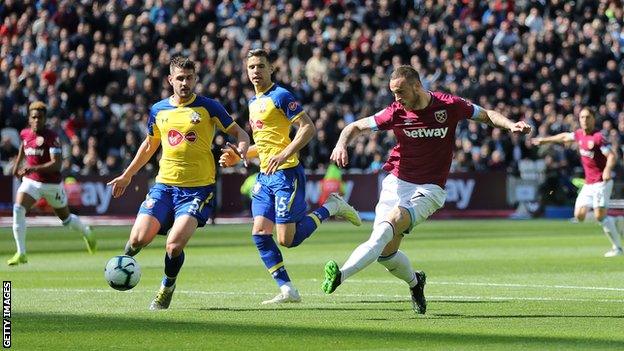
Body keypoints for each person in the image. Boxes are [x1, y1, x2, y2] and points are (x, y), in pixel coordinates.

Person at [321, 66, 532, 314]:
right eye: (393, 93)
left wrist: (510, 125)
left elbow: (486, 115)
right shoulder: (395, 112)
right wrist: (341, 143)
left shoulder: (449, 105)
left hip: (430, 188)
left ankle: (341, 276)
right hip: (396, 182)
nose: (396, 98)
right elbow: (354, 127)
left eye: (400, 92)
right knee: (386, 254)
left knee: (392, 223)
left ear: (416, 86)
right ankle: (415, 282)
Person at [219, 48, 361, 304]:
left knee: (288, 240)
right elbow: (264, 146)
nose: (256, 72)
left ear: (271, 69)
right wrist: (241, 155)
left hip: (286, 175)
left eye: (261, 66)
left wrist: (283, 155)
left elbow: (308, 128)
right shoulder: (253, 102)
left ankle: (331, 206)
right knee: (260, 233)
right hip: (264, 177)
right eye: (252, 67)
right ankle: (287, 289)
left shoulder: (281, 96)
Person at [107, 55, 250, 310]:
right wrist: (128, 174)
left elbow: (240, 132)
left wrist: (240, 150)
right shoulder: (159, 109)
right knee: (138, 240)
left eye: (189, 78)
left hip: (197, 190)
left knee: (173, 246)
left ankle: (166, 287)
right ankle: (126, 257)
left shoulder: (209, 107)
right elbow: (150, 144)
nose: (185, 83)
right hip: (164, 186)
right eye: (180, 78)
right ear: (170, 80)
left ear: (195, 79)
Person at [8, 101, 96, 266]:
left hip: (52, 185)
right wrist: (16, 166)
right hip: (31, 182)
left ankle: (86, 232)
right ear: (29, 118)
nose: (36, 121)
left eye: (40, 118)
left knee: (66, 220)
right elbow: (23, 146)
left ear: (44, 119)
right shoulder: (25, 133)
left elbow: (56, 164)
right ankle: (21, 253)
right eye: (34, 117)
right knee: (18, 208)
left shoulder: (52, 138)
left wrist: (31, 168)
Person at [532, 107, 623, 257]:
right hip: (589, 183)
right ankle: (617, 221)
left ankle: (617, 248)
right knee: (579, 215)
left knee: (600, 216)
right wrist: (544, 140)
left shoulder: (598, 138)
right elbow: (564, 137)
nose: (584, 120)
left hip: (602, 182)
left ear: (593, 119)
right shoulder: (580, 135)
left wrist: (607, 169)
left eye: (587, 117)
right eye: (582, 117)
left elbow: (612, 156)